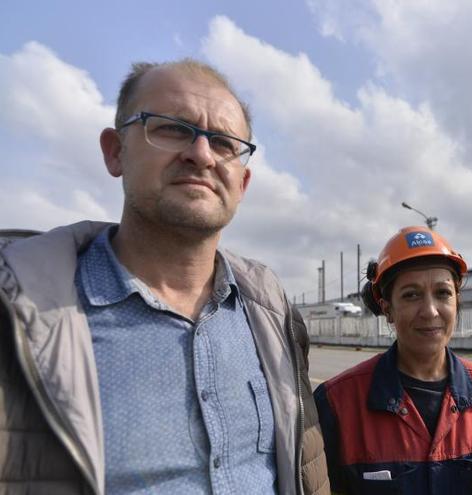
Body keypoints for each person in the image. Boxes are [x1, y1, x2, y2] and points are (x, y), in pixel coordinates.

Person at [0, 59, 328, 494]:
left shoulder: (272, 316)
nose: (201, 154)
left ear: (243, 182)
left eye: (224, 142)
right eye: (172, 128)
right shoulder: (21, 313)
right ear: (115, 151)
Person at [314, 226, 472, 494]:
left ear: (457, 301)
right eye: (411, 295)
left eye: (443, 293)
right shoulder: (336, 403)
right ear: (387, 309)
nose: (430, 311)